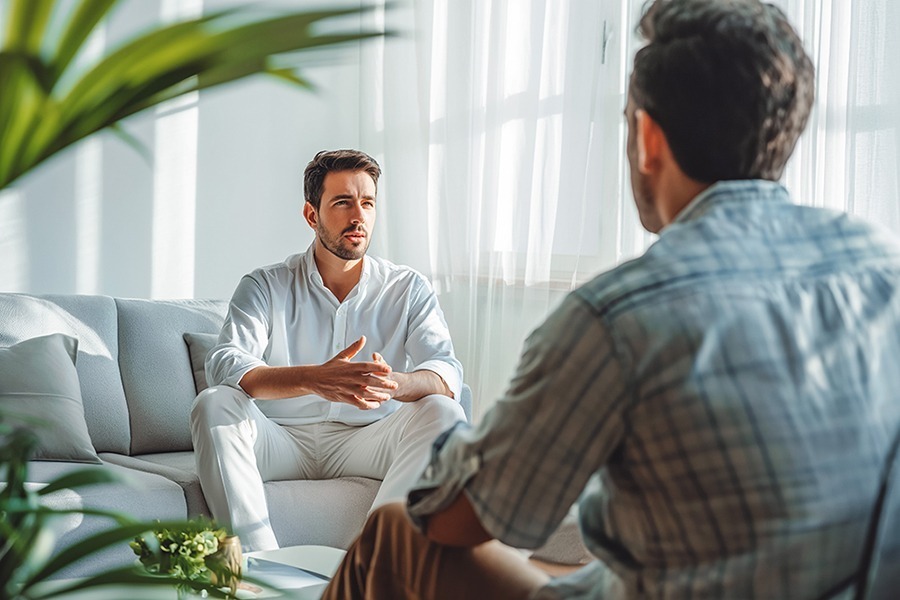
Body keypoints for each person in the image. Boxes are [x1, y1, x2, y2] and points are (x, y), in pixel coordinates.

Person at [321, 1, 900, 598]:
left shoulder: (618, 317)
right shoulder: (881, 264)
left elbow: (457, 519)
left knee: (397, 530)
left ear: (648, 137)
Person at [191, 149, 466, 552]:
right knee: (213, 404)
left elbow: (445, 371)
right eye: (342, 202)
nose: (359, 216)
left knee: (444, 412)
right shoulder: (266, 285)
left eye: (367, 202)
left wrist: (394, 384)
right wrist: (313, 379)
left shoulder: (407, 288)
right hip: (282, 440)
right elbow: (226, 362)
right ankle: (263, 570)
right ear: (311, 215)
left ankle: (371, 568)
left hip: (367, 440)